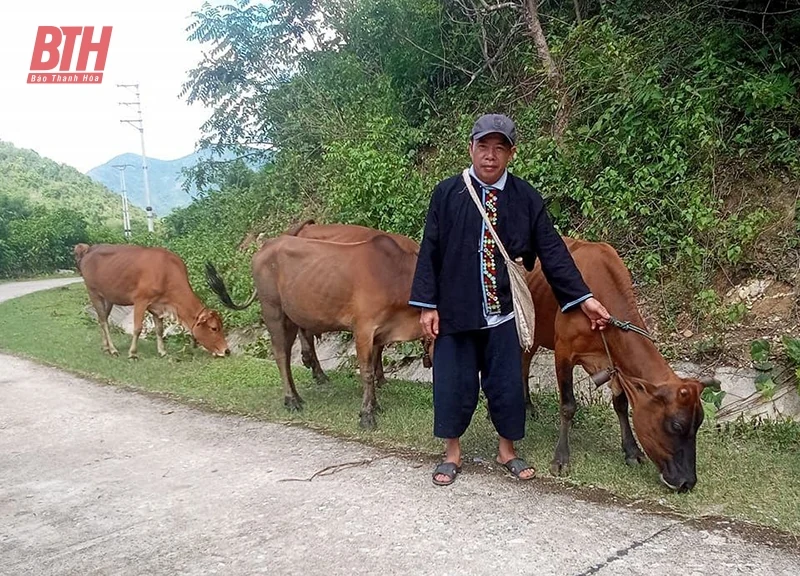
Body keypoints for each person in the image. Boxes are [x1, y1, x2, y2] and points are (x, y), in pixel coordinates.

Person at [409, 113, 611, 486]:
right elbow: (430, 252)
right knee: (454, 383)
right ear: (470, 148)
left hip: (504, 312)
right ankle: (451, 453)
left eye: (499, 148)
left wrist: (584, 298)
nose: (490, 156)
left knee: (506, 383)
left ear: (511, 153)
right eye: (483, 146)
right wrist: (427, 305)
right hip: (455, 312)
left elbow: (552, 251)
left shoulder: (525, 198)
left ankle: (507, 450)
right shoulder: (447, 194)